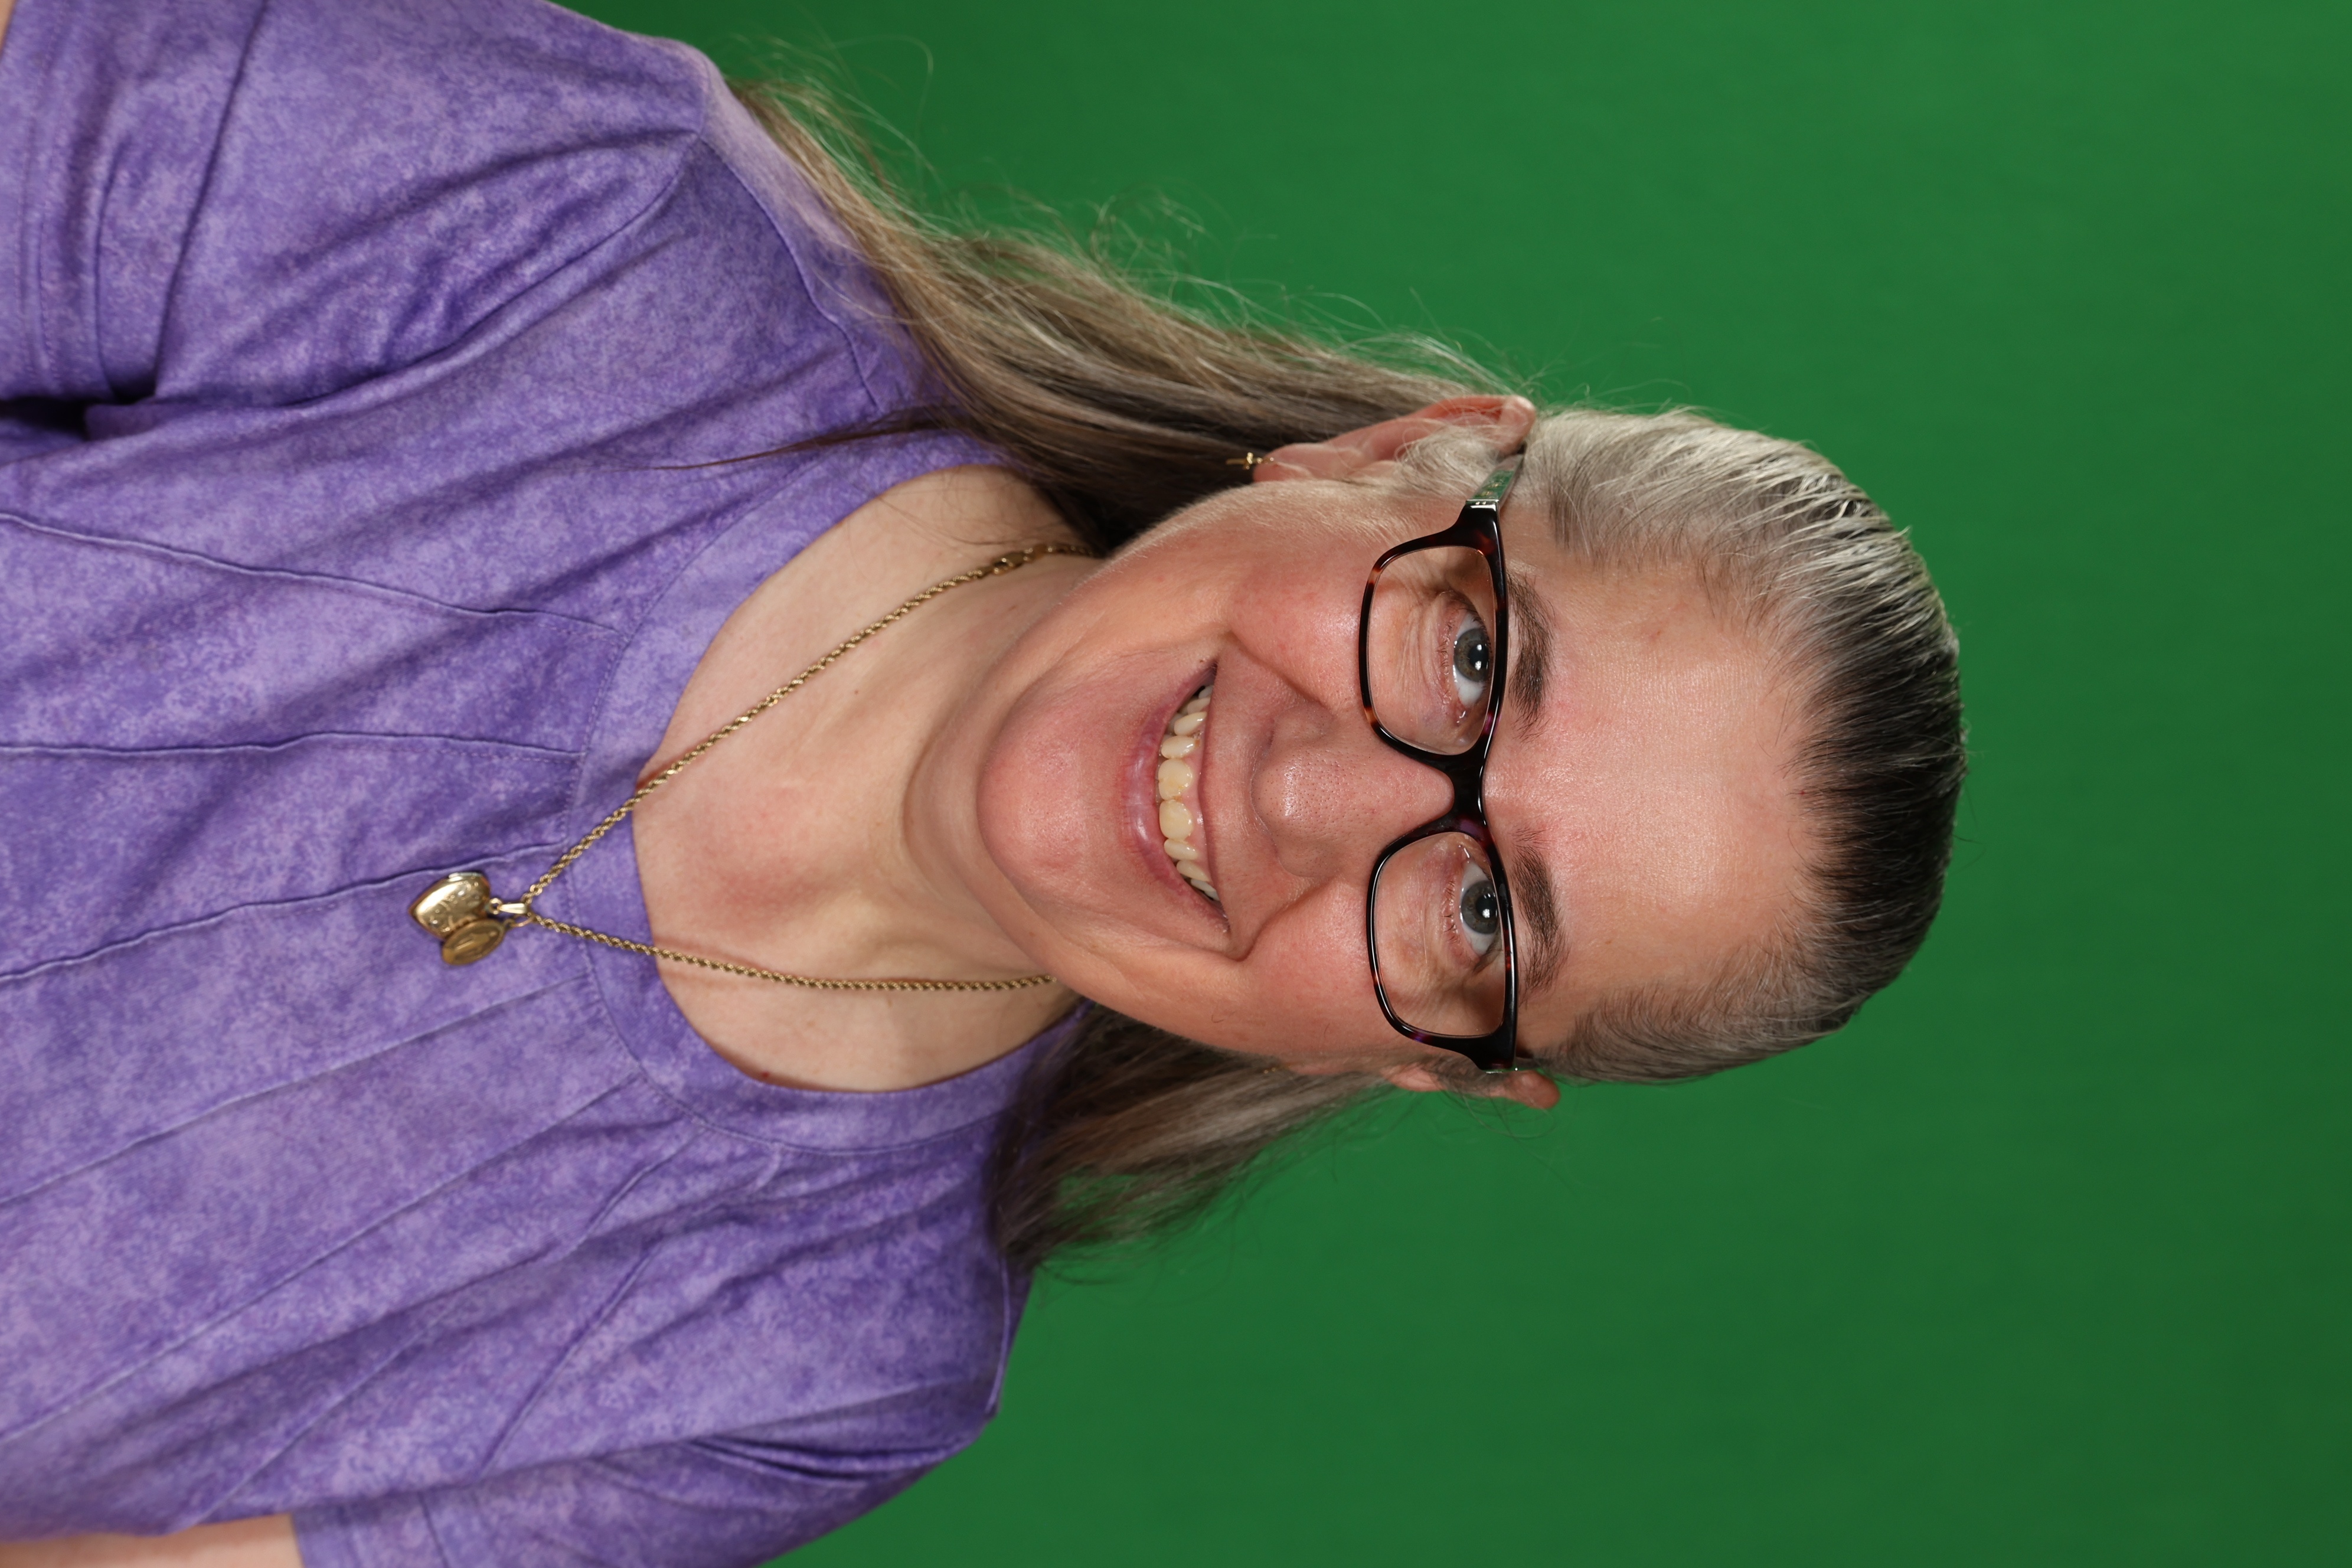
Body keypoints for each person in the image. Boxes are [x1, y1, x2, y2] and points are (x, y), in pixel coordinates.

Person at [0, 0, 1964, 1562]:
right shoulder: (595, 228)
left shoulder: (820, 1370)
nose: (1314, 801)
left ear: (1432, 1063)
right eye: (1469, 658)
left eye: (1480, 911)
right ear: (1396, 453)